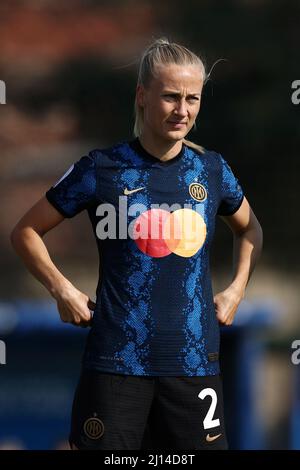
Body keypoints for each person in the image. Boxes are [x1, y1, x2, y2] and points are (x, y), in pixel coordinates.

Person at [11, 38, 263, 450]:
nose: (182, 110)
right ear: (142, 97)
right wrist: (62, 289)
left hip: (194, 362)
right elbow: (25, 231)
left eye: (192, 99)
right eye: (170, 97)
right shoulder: (100, 169)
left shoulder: (212, 170)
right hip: (116, 363)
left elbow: (251, 230)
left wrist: (236, 290)